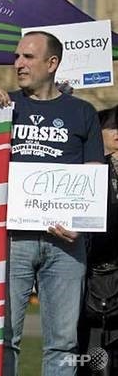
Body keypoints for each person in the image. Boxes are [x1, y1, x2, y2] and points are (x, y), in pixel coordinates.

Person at [0, 31, 104, 376]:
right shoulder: (2, 108)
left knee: (63, 342)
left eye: (28, 57)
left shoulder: (83, 112)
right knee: (2, 337)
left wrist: (81, 223)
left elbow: (93, 176)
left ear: (52, 64)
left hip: (64, 242)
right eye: (17, 56)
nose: (18, 63)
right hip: (10, 241)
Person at [78, 104, 118, 376]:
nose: (117, 134)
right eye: (112, 127)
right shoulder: (88, 169)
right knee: (87, 350)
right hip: (88, 267)